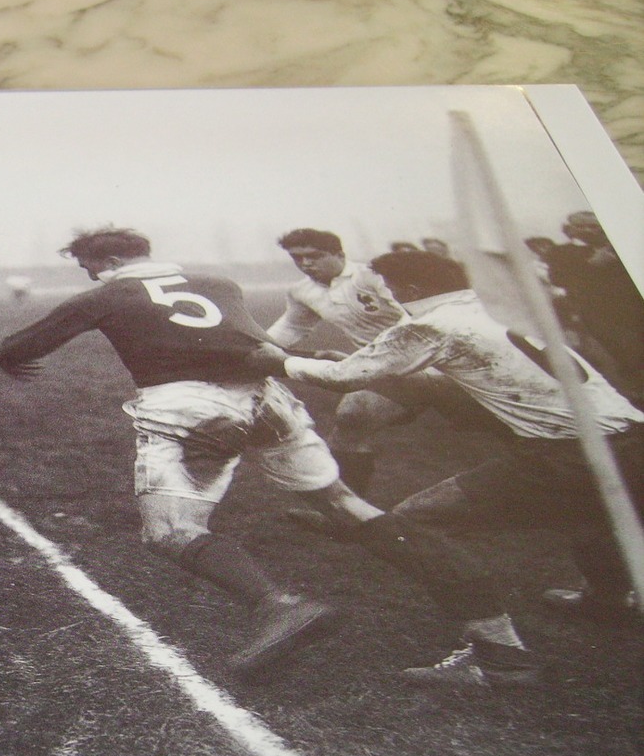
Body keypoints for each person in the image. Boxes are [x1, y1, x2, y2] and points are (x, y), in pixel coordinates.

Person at [0, 228, 535, 680]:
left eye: (87, 266)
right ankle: (491, 633)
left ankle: (276, 605)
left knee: (170, 531)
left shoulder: (107, 293)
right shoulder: (219, 283)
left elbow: (36, 340)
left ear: (101, 263)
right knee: (346, 505)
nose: (90, 274)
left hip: (187, 407)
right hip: (266, 399)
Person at [270, 248, 644, 647]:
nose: (391, 298)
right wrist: (361, 361)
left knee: (415, 521)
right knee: (591, 515)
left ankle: (499, 653)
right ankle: (608, 602)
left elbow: (343, 378)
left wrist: (277, 362)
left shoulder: (433, 324)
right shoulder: (491, 310)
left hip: (569, 453)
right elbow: (448, 373)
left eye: (392, 289)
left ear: (413, 287)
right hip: (633, 437)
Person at [270, 228, 504, 500]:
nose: (305, 264)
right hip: (385, 369)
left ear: (339, 254)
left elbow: (415, 316)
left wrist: (374, 357)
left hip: (442, 362)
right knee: (352, 416)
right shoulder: (301, 292)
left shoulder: (373, 277)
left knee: (502, 426)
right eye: (297, 258)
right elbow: (290, 327)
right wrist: (255, 346)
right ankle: (348, 508)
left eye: (314, 256)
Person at [540, 210, 644, 399]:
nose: (589, 230)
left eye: (594, 226)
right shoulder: (561, 252)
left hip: (634, 308)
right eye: (582, 226)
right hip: (603, 315)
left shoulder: (614, 245)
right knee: (630, 355)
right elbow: (559, 280)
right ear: (571, 229)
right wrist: (591, 266)